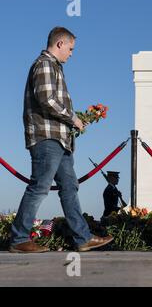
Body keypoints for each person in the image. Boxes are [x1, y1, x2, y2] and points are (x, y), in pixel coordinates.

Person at [9, 27, 114, 253]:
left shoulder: (53, 67)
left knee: (69, 187)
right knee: (40, 187)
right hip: (47, 137)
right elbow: (46, 99)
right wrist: (73, 118)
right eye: (70, 48)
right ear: (60, 44)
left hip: (60, 140)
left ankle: (82, 237)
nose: (71, 53)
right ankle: (18, 239)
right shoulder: (45, 64)